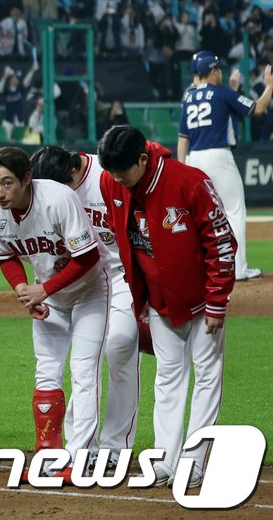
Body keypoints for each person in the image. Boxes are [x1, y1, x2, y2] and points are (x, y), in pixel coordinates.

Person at [97, 126, 235, 485]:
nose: (115, 180)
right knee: (168, 379)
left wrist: (218, 302)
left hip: (203, 301)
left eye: (121, 172)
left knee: (206, 378)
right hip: (158, 302)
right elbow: (127, 247)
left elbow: (222, 243)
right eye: (110, 172)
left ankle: (195, 461)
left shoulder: (189, 181)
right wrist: (139, 298)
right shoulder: (111, 183)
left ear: (143, 160)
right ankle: (166, 460)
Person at [0, 148, 109, 482]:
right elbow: (4, 254)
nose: (0, 192)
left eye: (7, 183)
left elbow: (89, 257)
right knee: (46, 372)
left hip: (90, 291)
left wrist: (44, 290)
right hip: (47, 293)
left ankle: (81, 458)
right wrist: (24, 288)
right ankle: (48, 456)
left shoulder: (58, 199)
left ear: (26, 179)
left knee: (83, 370)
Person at [30, 145, 141, 459]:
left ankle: (116, 447)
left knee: (119, 347)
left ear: (73, 172)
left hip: (120, 275)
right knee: (83, 361)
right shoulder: (47, 188)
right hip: (72, 278)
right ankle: (82, 449)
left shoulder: (108, 177)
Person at [177, 52, 270, 280]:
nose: (220, 72)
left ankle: (200, 267)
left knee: (201, 215)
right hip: (218, 155)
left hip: (193, 158)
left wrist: (181, 168)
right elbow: (257, 109)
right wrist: (269, 86)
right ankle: (237, 268)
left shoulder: (188, 97)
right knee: (234, 211)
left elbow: (182, 138)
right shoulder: (221, 93)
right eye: (218, 69)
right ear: (213, 71)